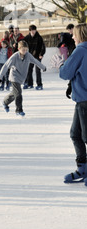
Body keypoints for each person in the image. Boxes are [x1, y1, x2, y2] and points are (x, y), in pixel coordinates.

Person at [59, 23, 87, 186]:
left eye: (74, 35)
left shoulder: (80, 50)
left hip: (84, 99)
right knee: (75, 134)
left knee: (84, 136)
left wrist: (63, 65)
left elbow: (65, 73)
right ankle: (82, 168)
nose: (73, 37)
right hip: (81, 99)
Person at [0, 40, 46, 117]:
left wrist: (43, 67)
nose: (25, 51)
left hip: (21, 78)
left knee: (15, 93)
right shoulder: (15, 56)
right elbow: (6, 65)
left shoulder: (28, 55)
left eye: (26, 49)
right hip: (14, 77)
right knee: (18, 93)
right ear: (19, 49)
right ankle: (19, 110)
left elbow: (35, 61)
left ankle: (5, 102)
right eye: (23, 49)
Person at [23, 25, 46, 90]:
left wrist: (41, 54)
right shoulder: (27, 38)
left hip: (37, 56)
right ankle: (29, 83)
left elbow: (43, 46)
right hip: (30, 56)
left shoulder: (39, 38)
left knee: (37, 70)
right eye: (32, 30)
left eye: (34, 30)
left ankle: (39, 84)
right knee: (29, 69)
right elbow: (22, 45)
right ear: (30, 31)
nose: (33, 31)